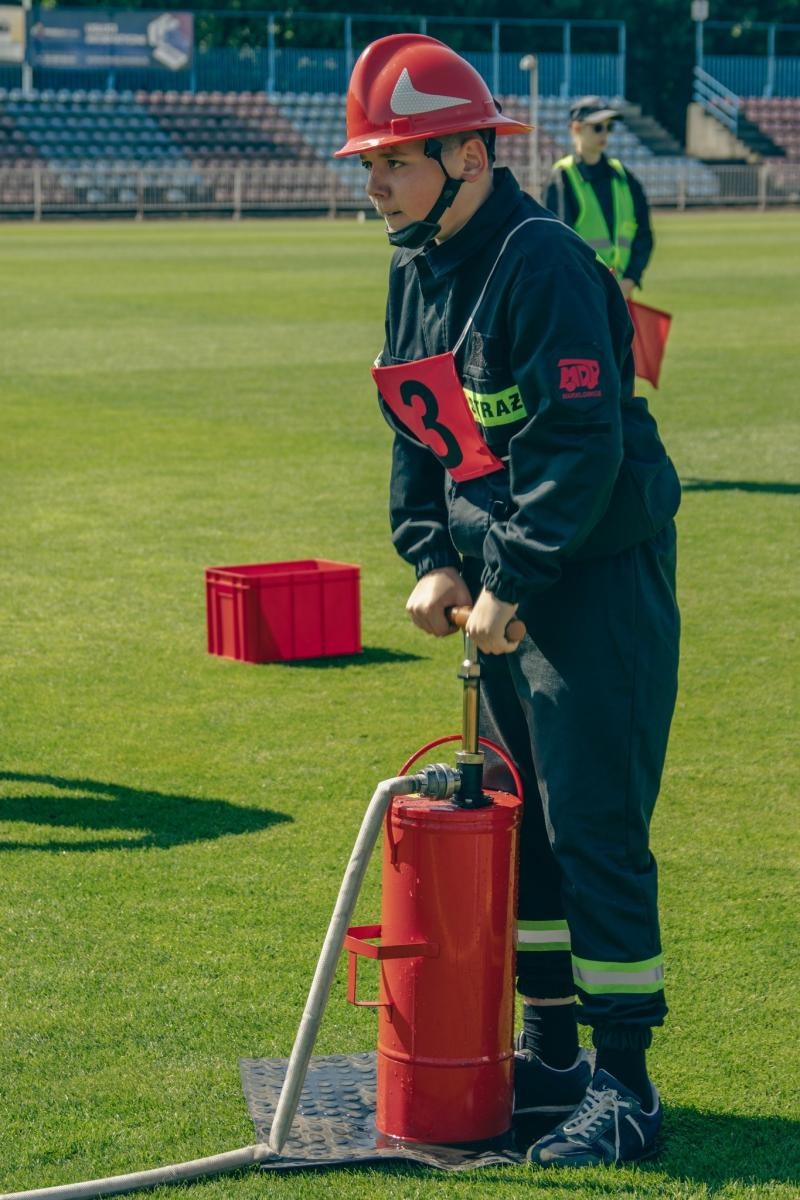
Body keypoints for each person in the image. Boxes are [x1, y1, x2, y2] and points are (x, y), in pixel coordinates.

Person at [335, 34, 680, 1168]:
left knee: (590, 830)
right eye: (370, 163)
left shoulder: (542, 262)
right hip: (504, 587)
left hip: (591, 586)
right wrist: (430, 555)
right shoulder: (415, 263)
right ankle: (552, 1053)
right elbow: (414, 424)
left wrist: (510, 580)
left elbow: (579, 447)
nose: (373, 184)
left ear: (470, 156)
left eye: (394, 160)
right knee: (521, 830)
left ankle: (625, 1089)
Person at [546, 97, 654, 300]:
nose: (604, 134)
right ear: (576, 128)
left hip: (621, 295)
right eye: (597, 128)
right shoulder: (562, 177)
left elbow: (644, 234)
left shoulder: (623, 176)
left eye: (609, 127)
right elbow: (559, 246)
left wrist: (630, 280)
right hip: (581, 295)